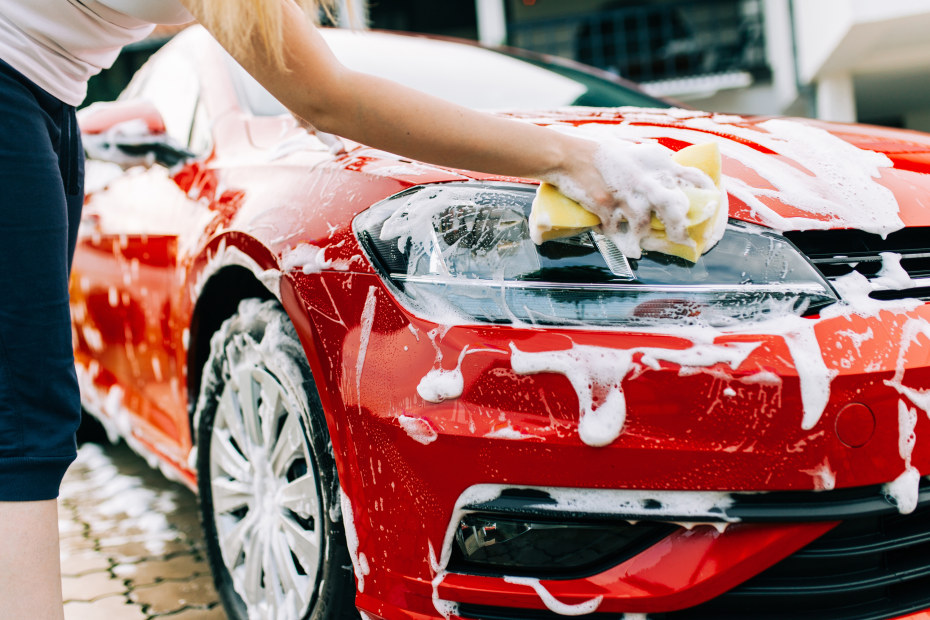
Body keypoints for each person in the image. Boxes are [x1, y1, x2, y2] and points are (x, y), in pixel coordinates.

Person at [0, 1, 697, 618]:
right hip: (14, 85)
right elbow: (329, 100)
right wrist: (570, 158)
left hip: (46, 99)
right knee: (24, 423)